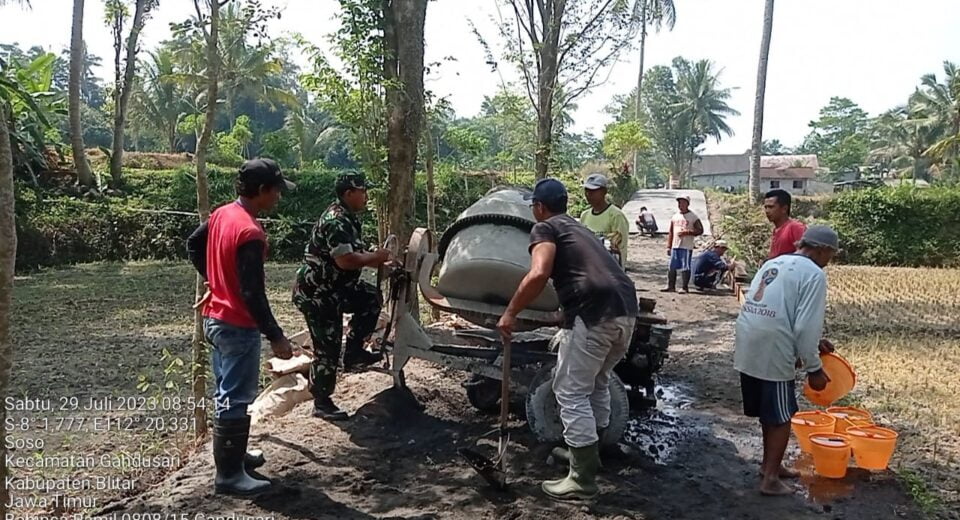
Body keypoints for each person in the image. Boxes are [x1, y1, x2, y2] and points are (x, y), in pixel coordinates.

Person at [497, 178, 638, 501]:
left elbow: (539, 272)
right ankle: (588, 454)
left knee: (570, 391)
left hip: (594, 313)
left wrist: (510, 313)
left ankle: (582, 477)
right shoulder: (579, 227)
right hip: (626, 310)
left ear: (539, 207)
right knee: (598, 384)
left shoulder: (546, 228)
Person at [186, 157, 296, 496]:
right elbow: (251, 292)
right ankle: (230, 476)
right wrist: (276, 336)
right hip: (237, 326)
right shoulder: (250, 232)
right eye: (276, 191)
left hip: (215, 321)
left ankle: (235, 456)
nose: (278, 197)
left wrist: (214, 280)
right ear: (262, 191)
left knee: (226, 392)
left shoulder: (222, 214)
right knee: (235, 398)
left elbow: (193, 244)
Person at [734, 225, 839, 497]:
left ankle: (772, 466)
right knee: (782, 416)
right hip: (774, 347)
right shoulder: (814, 274)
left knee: (770, 411)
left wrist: (814, 345)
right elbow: (804, 327)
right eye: (831, 255)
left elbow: (778, 309)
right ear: (821, 250)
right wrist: (814, 369)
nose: (829, 261)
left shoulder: (775, 262)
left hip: (749, 339)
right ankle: (769, 479)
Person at [292, 172, 390, 421]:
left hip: (339, 288)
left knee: (370, 298)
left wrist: (377, 259)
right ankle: (322, 402)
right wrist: (376, 258)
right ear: (349, 193)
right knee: (327, 347)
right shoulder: (336, 221)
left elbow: (355, 252)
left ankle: (355, 353)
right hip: (319, 294)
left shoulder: (349, 218)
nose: (366, 196)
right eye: (362, 191)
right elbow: (346, 260)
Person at [579, 173, 631, 268]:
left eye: (593, 191)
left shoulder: (616, 216)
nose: (588, 194)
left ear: (604, 191)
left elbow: (619, 248)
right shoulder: (584, 215)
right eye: (586, 190)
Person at [663, 195, 703, 293]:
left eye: (683, 203)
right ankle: (671, 286)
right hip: (675, 245)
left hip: (686, 245)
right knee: (672, 267)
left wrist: (688, 232)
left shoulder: (693, 217)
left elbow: (700, 230)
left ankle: (684, 287)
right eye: (679, 203)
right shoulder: (675, 216)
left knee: (685, 267)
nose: (681, 205)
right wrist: (669, 246)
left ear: (687, 204)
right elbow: (671, 232)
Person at [764, 189, 806, 259]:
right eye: (766, 207)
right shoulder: (776, 230)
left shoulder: (795, 227)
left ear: (784, 209)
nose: (767, 211)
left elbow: (805, 255)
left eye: (771, 207)